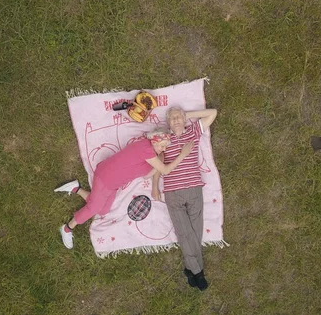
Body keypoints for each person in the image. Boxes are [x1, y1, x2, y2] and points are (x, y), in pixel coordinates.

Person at [55, 130, 194, 250]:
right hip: (105, 177)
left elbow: (150, 174)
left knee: (103, 210)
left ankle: (76, 188)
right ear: (155, 141)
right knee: (94, 207)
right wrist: (183, 154)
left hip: (113, 184)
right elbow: (165, 170)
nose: (163, 149)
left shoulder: (148, 157)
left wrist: (160, 162)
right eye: (163, 146)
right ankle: (68, 227)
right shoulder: (146, 148)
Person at [151, 106, 217, 291]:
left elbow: (213, 113)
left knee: (196, 231)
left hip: (195, 188)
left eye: (179, 116)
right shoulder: (164, 139)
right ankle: (197, 272)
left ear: (184, 119)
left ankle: (191, 269)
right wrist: (155, 186)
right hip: (173, 192)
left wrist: (189, 115)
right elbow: (158, 163)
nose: (176, 120)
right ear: (168, 124)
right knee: (185, 232)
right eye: (172, 118)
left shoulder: (193, 132)